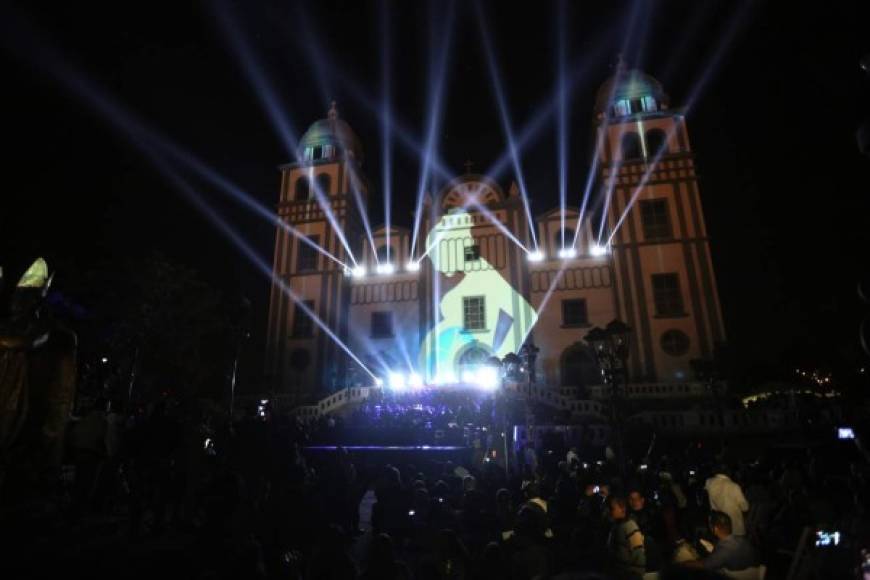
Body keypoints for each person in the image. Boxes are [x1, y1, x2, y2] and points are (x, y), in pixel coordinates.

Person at [685, 511, 760, 573]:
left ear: (715, 529)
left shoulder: (723, 551)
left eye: (710, 525)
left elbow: (703, 565)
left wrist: (683, 564)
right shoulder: (743, 540)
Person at [606, 495, 646, 578]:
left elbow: (639, 553)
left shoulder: (629, 526)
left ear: (623, 509)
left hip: (629, 574)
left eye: (612, 508)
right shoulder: (616, 527)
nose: (610, 511)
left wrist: (635, 574)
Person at [705, 465, 750, 536]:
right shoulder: (733, 486)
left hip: (720, 524)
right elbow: (745, 507)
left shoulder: (709, 482)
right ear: (728, 472)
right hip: (735, 524)